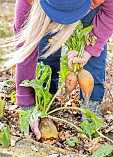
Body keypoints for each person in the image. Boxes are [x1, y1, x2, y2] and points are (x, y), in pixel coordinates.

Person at [7, 0, 113, 139]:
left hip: (89, 6)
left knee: (93, 40)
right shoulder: (28, 2)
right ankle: (45, 102)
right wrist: (27, 105)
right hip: (44, 10)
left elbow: (110, 13)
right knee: (46, 52)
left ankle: (91, 104)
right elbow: (26, 48)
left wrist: (88, 51)